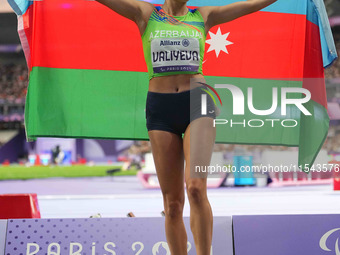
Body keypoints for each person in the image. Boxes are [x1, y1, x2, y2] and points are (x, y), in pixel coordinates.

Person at [95, 0, 277, 254]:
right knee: (172, 204)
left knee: (195, 188)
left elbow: (251, 5)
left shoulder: (204, 15)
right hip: (160, 108)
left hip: (198, 102)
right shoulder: (146, 14)